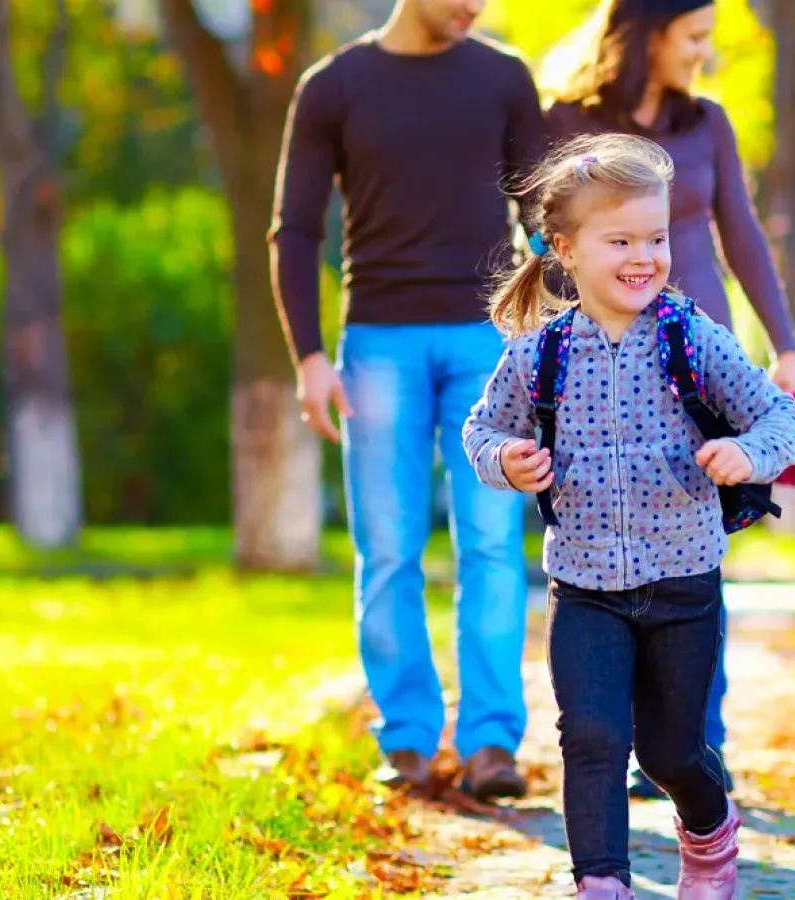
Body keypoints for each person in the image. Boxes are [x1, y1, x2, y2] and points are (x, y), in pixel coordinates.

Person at [463, 132, 795, 899]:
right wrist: (506, 462)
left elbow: (781, 417)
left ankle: (711, 835)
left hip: (683, 582)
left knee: (671, 751)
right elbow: (483, 430)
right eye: (620, 240)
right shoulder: (539, 354)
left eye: (655, 238)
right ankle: (602, 883)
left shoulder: (690, 338)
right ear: (565, 248)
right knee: (591, 738)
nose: (644, 257)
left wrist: (748, 455)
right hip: (584, 586)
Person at [268, 0, 546, 800]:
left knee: (491, 544)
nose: (474, 6)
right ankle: (409, 737)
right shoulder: (335, 86)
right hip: (378, 343)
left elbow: (540, 218)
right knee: (387, 548)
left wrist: (543, 331)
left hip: (487, 344)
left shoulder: (502, 78)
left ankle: (493, 741)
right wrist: (310, 358)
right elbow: (294, 232)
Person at [537, 0, 795, 799]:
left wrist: (784, 347)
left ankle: (694, 745)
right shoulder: (569, 123)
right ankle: (623, 738)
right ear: (647, 32)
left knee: (693, 551)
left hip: (699, 366)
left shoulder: (707, 122)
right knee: (611, 550)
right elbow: (546, 240)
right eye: (694, 37)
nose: (704, 53)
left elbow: (743, 234)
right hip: (603, 366)